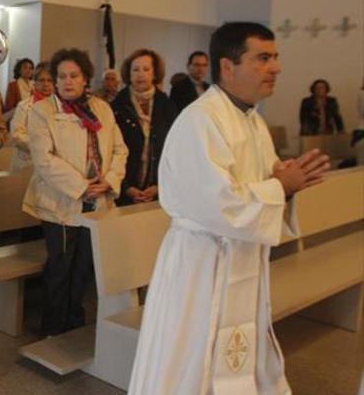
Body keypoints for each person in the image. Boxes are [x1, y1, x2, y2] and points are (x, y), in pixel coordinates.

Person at [129, 22, 330, 394]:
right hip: (201, 265)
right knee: (190, 360)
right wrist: (279, 186)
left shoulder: (253, 121)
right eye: (263, 58)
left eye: (275, 57)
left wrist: (284, 182)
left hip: (240, 257)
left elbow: (257, 186)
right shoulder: (200, 120)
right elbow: (218, 203)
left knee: (237, 356)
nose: (276, 67)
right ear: (227, 66)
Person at [22, 47, 128, 336]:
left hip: (99, 198)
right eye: (61, 76)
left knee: (83, 266)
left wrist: (109, 180)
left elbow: (119, 149)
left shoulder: (102, 108)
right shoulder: (42, 112)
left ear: (85, 79)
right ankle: (53, 329)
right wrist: (83, 187)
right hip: (61, 201)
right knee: (60, 267)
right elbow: (44, 160)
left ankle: (74, 323)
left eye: (74, 76)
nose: (67, 82)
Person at [111, 49, 178, 206]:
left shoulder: (167, 105)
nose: (140, 74)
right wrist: (126, 188)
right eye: (135, 69)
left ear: (155, 74)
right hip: (123, 191)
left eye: (146, 69)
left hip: (158, 190)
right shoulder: (116, 106)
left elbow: (175, 149)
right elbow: (109, 153)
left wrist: (159, 186)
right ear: (129, 73)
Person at [9, 61, 53, 171]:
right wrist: (41, 146)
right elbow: (16, 134)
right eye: (41, 80)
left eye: (49, 80)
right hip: (27, 163)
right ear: (34, 82)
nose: (46, 84)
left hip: (52, 165)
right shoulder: (24, 106)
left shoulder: (60, 106)